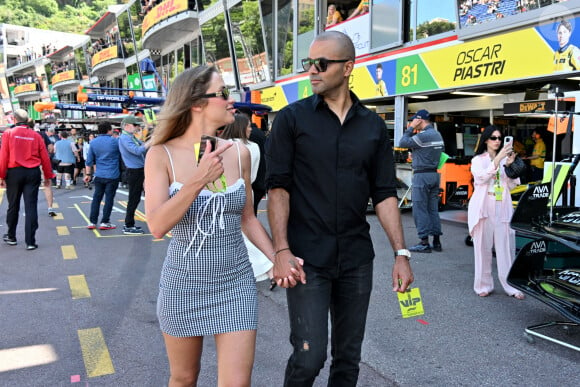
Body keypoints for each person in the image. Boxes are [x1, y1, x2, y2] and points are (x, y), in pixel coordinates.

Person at [266, 31, 413, 386]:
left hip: (356, 257)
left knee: (348, 359)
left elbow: (384, 194)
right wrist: (281, 251)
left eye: (321, 64)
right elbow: (278, 189)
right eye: (308, 64)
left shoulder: (373, 126)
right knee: (308, 355)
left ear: (348, 67)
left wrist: (401, 252)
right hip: (306, 257)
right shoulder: (290, 120)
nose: (312, 71)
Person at [144, 66, 295, 387]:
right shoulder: (161, 155)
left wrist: (278, 258)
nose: (232, 101)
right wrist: (198, 180)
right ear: (197, 103)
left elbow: (248, 217)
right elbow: (157, 226)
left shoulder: (239, 152)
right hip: (183, 285)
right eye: (223, 93)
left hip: (235, 284)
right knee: (184, 378)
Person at [467, 125, 525, 300]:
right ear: (486, 140)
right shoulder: (478, 160)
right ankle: (483, 285)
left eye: (500, 138)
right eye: (493, 138)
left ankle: (511, 286)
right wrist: (497, 160)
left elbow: (513, 184)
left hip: (502, 204)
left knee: (506, 247)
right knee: (482, 249)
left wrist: (509, 166)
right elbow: (481, 178)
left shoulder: (504, 159)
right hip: (484, 206)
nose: (497, 141)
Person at [220, 113, 276, 290]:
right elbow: (251, 174)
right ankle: (269, 265)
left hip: (226, 191)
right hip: (248, 188)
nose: (251, 128)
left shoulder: (221, 146)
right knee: (246, 227)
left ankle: (267, 265)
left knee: (242, 228)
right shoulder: (251, 147)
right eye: (248, 126)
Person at [0, 109, 55, 250]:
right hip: (32, 173)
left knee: (13, 205)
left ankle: (11, 236)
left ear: (14, 119)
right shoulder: (36, 136)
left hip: (14, 173)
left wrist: (1, 176)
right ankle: (30, 241)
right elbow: (45, 158)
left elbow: (3, 156)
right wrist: (48, 176)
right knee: (31, 206)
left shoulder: (9, 133)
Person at [399, 109, 444, 253]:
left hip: (421, 176)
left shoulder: (424, 135)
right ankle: (436, 241)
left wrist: (411, 128)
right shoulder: (437, 134)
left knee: (419, 209)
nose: (412, 122)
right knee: (432, 209)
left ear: (420, 120)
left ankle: (424, 242)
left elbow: (402, 142)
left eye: (414, 120)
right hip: (434, 175)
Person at [83, 121, 121, 230]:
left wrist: (88, 174)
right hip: (112, 174)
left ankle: (92, 221)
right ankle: (105, 221)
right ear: (109, 130)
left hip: (99, 174)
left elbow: (89, 161)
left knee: (96, 198)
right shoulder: (115, 142)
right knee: (109, 198)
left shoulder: (93, 143)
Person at [118, 115, 148, 235]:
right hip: (134, 170)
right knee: (133, 198)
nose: (137, 127)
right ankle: (128, 224)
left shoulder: (131, 137)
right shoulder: (125, 138)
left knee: (136, 198)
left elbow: (142, 146)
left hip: (138, 169)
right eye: (135, 125)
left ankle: (129, 223)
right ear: (127, 126)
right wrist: (150, 142)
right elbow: (137, 150)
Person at [237, 106, 267, 215]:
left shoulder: (250, 142)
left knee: (248, 217)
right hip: (257, 182)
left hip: (252, 184)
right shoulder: (257, 134)